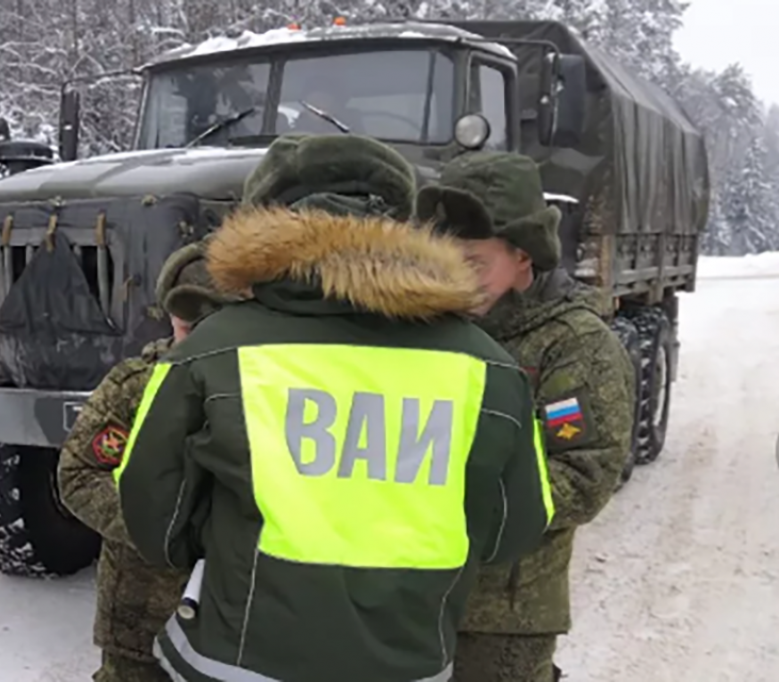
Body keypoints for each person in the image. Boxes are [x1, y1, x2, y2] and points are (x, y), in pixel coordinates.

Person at [114, 133, 555, 682]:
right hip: (410, 663)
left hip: (237, 662)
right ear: (403, 226)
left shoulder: (213, 349)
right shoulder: (489, 367)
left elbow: (154, 514)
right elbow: (514, 526)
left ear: (263, 222)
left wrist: (228, 541)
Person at [416, 151, 635, 682]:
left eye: (473, 262)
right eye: (441, 260)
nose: (454, 278)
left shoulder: (573, 344)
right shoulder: (419, 331)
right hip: (408, 598)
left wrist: (452, 505)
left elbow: (581, 475)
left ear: (523, 256)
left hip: (502, 619)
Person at [57, 240, 226, 682]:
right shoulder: (134, 386)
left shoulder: (264, 387)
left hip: (230, 623)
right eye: (189, 329)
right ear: (170, 315)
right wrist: (158, 527)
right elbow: (78, 475)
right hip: (139, 619)